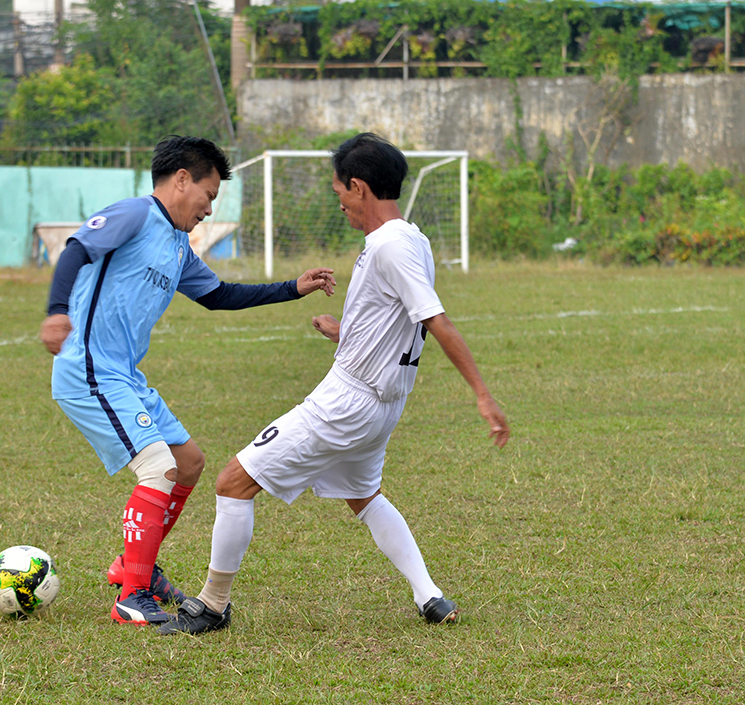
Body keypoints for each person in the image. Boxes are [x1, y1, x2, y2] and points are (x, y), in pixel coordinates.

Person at [158, 133, 510, 636]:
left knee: (233, 482)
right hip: (381, 404)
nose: (339, 202)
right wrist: (345, 334)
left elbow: (435, 321)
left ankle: (212, 606)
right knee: (364, 496)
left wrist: (482, 394)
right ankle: (429, 595)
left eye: (339, 191)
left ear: (359, 187)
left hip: (348, 402)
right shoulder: (412, 240)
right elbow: (399, 323)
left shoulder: (388, 246)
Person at [39, 135, 336, 627]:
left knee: (189, 462)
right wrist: (55, 314)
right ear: (181, 180)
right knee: (158, 468)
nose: (208, 208)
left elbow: (219, 295)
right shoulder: (135, 214)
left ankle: (135, 568)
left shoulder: (177, 245)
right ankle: (131, 596)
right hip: (88, 368)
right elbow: (75, 250)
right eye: (209, 195)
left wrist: (292, 288)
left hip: (126, 377)